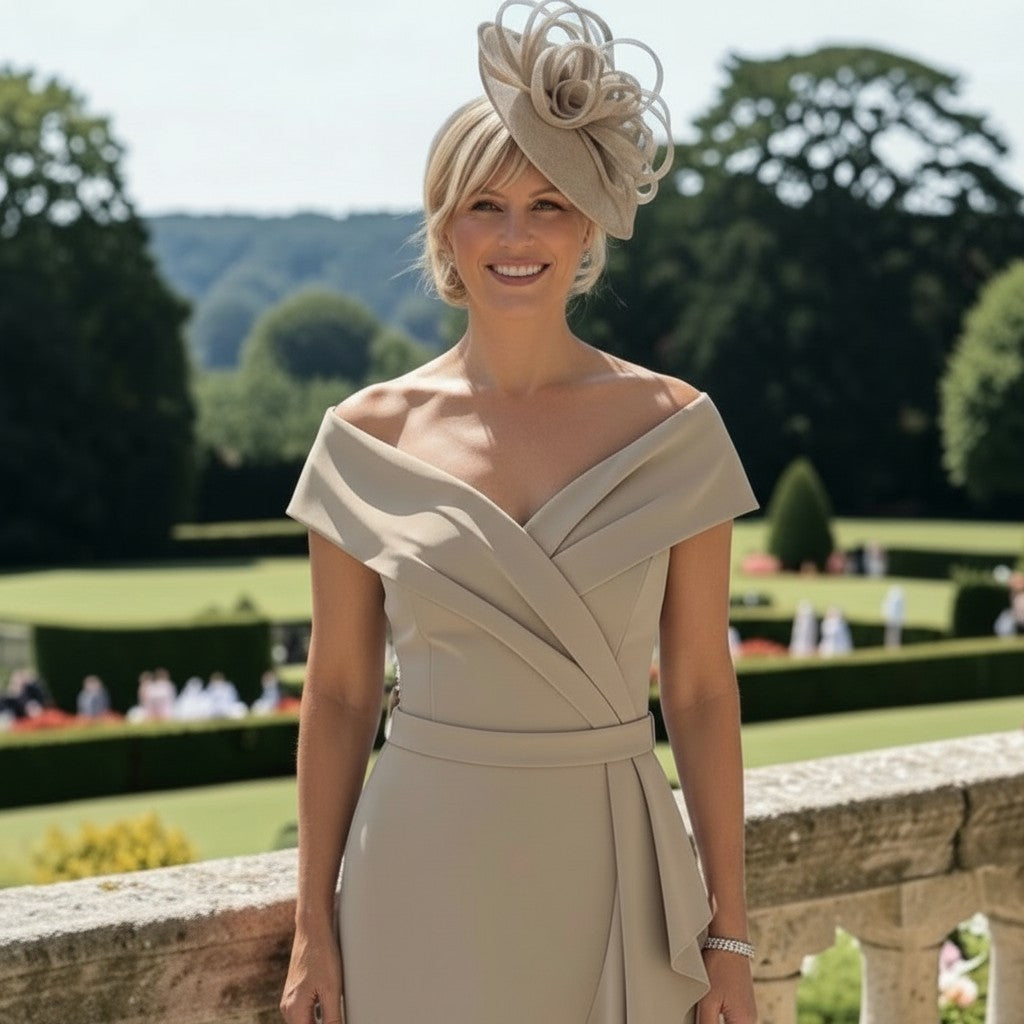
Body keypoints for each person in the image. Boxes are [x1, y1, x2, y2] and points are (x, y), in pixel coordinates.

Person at [280, 3, 760, 1022]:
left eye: (547, 203)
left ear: (586, 225)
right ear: (443, 225)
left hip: (613, 862)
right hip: (417, 870)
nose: (515, 236)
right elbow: (339, 694)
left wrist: (728, 932)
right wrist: (313, 922)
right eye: (484, 205)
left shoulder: (676, 430)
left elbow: (701, 693)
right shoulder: (366, 439)